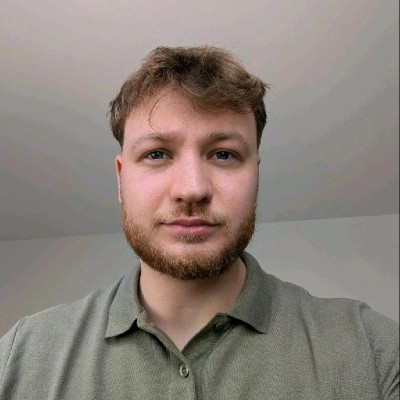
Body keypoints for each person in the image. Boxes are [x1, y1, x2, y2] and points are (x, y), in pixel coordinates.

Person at [0, 46, 398, 400]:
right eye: (157, 154)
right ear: (121, 180)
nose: (191, 189)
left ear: (256, 175)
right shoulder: (20, 355)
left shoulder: (374, 350)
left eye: (223, 154)